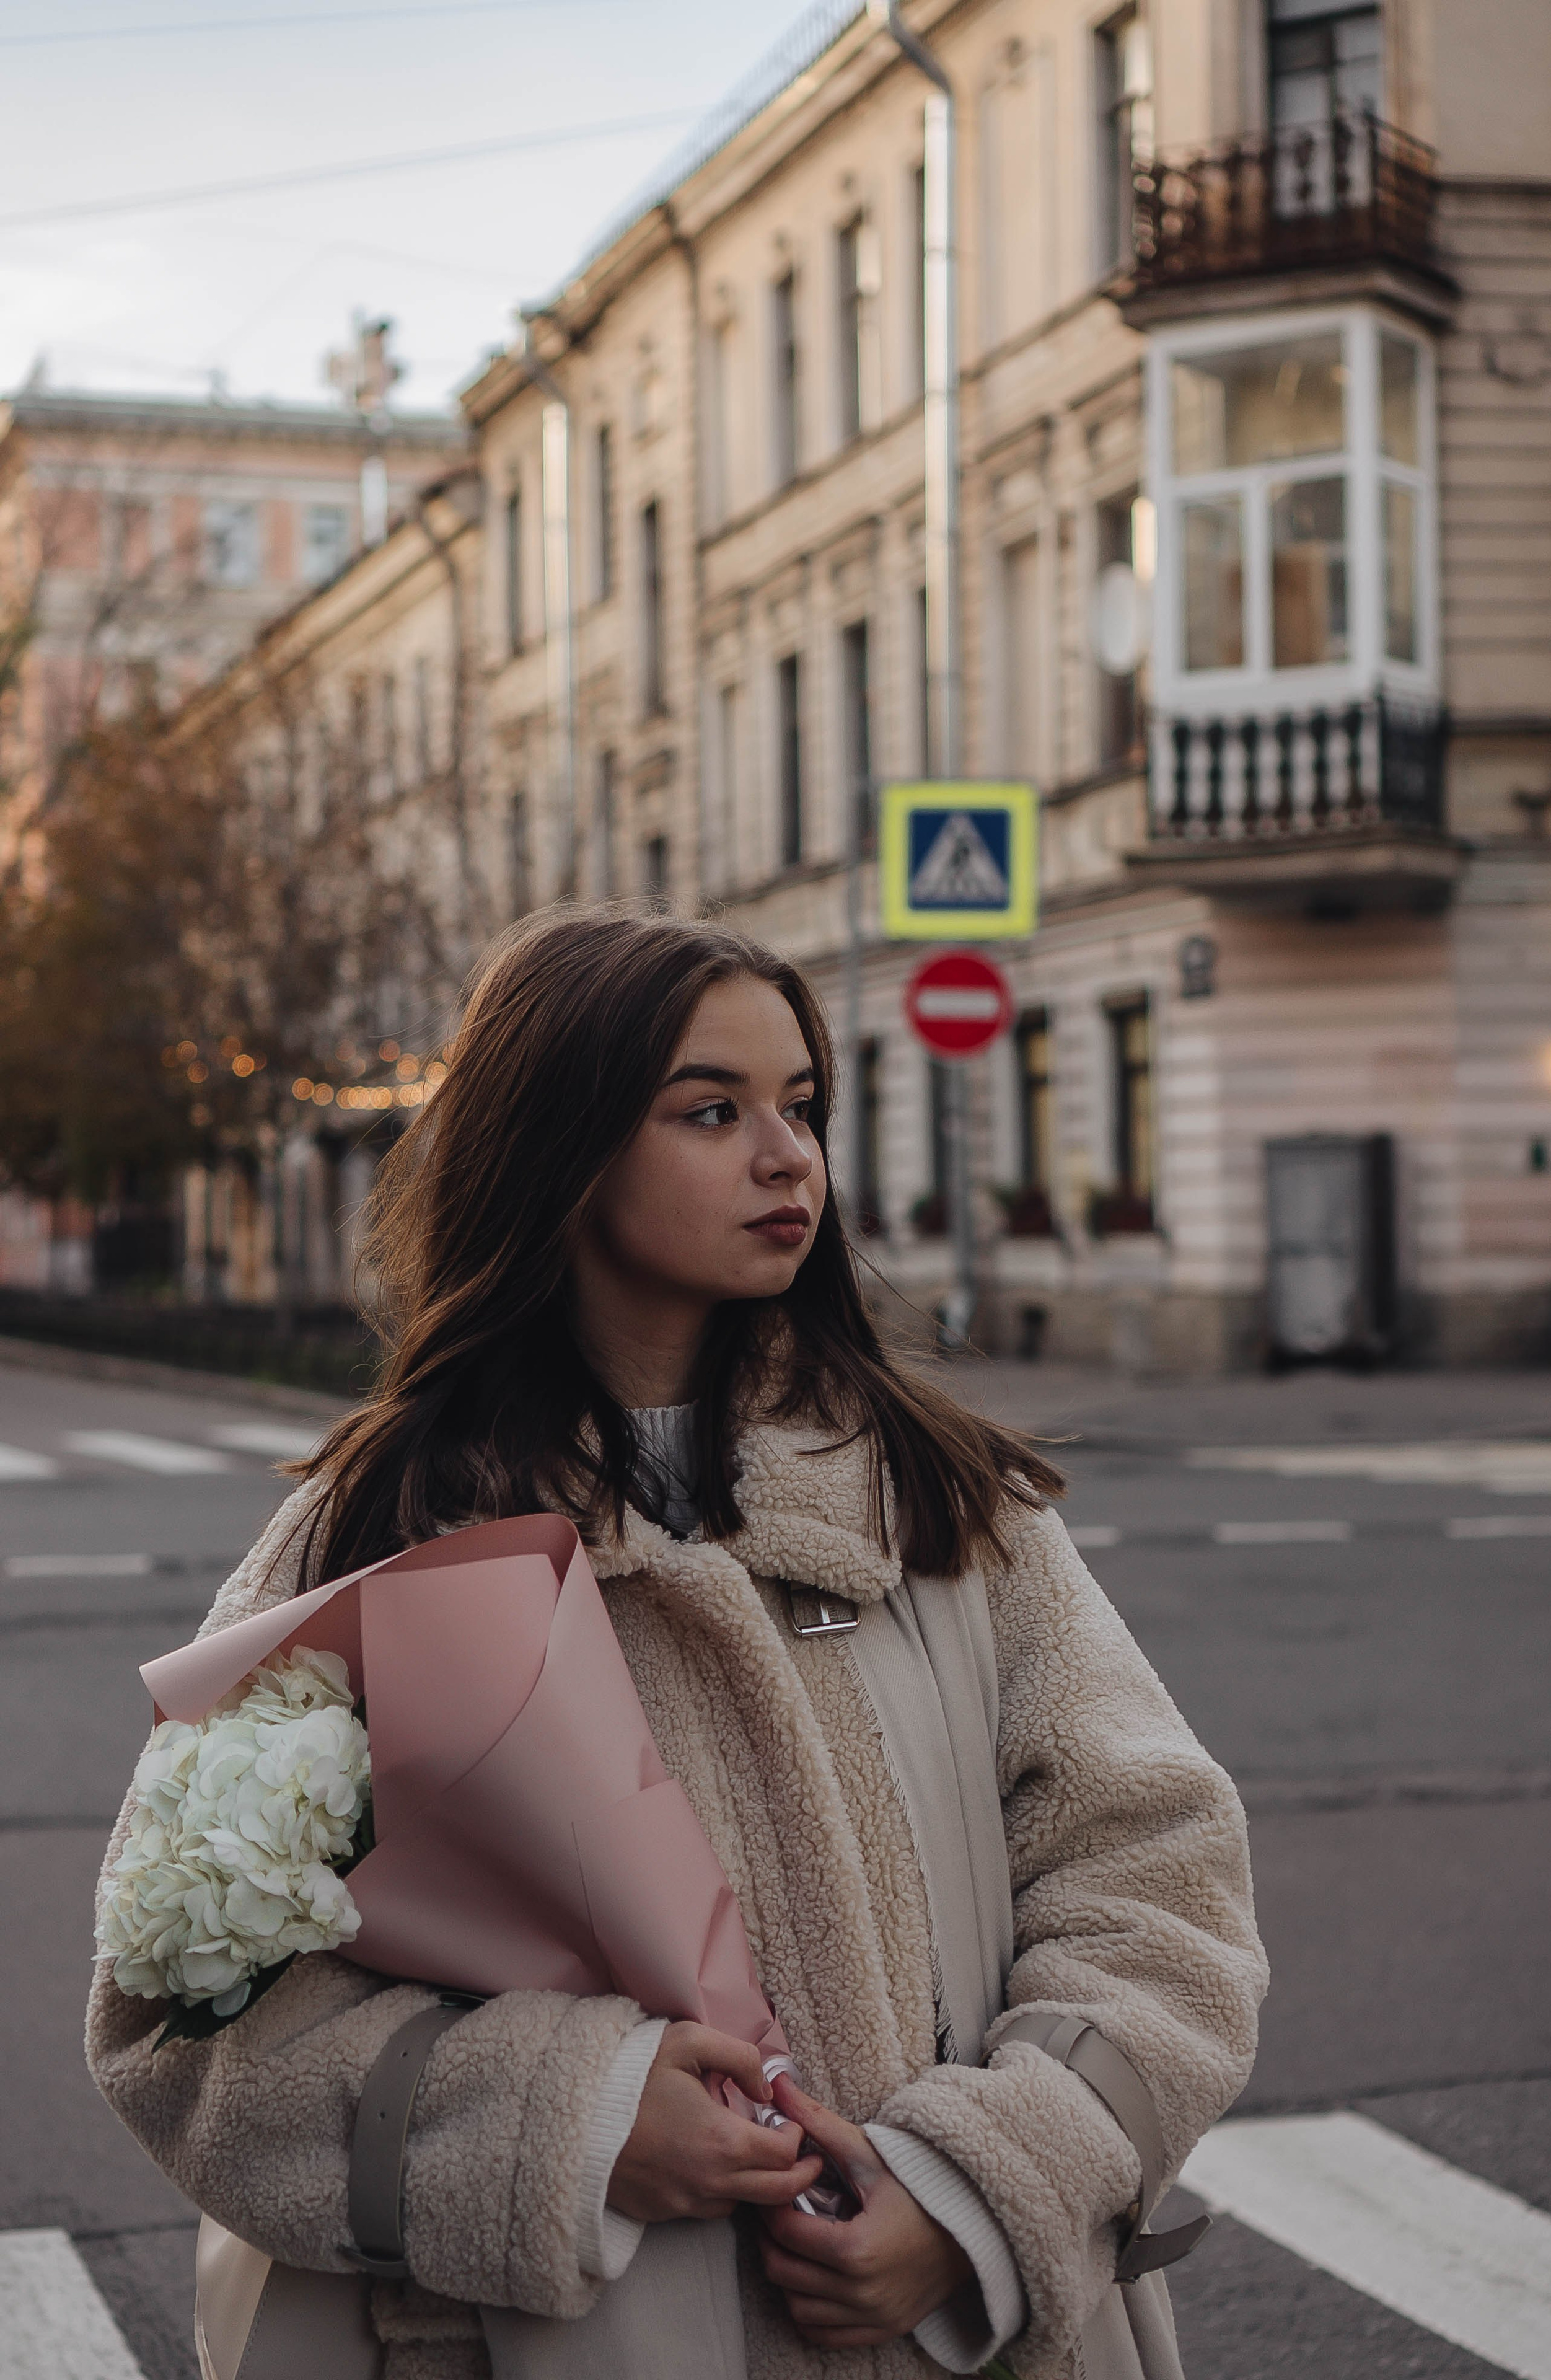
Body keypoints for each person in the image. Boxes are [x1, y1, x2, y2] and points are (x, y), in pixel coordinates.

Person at [87, 910, 1266, 2379]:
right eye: (711, 1112)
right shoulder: (382, 1529)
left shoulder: (938, 1501)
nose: (789, 1159)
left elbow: (1156, 1877)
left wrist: (969, 2193)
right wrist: (561, 2125)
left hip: (947, 2327)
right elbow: (182, 2017)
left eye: (801, 1107)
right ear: (558, 1148)